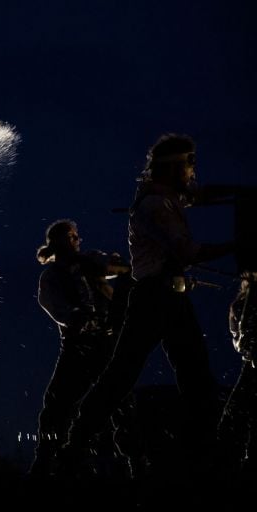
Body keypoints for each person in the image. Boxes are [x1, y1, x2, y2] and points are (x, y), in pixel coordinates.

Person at [62, 134, 234, 475]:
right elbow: (187, 252)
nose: (191, 171)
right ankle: (75, 443)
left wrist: (237, 192)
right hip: (156, 299)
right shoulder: (156, 206)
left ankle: (204, 453)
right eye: (188, 164)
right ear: (172, 168)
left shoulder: (165, 199)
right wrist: (237, 245)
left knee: (194, 375)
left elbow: (198, 194)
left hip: (168, 297)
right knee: (124, 374)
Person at [30, 219, 133, 477]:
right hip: (78, 345)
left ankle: (135, 459)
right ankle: (47, 459)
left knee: (119, 401)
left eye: (77, 236)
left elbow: (121, 269)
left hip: (106, 343)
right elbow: (59, 310)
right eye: (73, 237)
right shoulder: (52, 275)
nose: (78, 241)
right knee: (58, 402)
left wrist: (107, 264)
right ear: (60, 241)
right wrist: (83, 319)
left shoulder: (90, 263)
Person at [218, 273, 257, 472]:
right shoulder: (240, 303)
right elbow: (239, 340)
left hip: (251, 365)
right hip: (250, 364)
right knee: (235, 414)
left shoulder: (244, 302)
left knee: (236, 415)